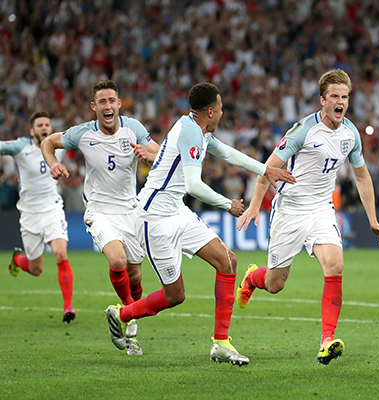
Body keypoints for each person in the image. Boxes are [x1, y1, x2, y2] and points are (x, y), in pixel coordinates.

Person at [103, 82, 295, 366]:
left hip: (176, 212)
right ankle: (121, 314)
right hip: (154, 219)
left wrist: (266, 169)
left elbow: (228, 154)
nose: (222, 112)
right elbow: (193, 185)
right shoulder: (191, 132)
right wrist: (226, 204)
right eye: (220, 108)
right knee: (175, 295)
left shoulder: (199, 129)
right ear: (210, 111)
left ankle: (220, 343)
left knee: (228, 262)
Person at [235, 69, 379, 365]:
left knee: (335, 264)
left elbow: (362, 175)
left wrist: (372, 218)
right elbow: (268, 168)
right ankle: (252, 278)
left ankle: (326, 340)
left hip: (321, 209)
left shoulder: (350, 134)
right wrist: (255, 205)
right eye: (334, 96)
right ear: (322, 100)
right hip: (290, 211)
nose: (340, 101)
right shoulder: (303, 131)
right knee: (276, 283)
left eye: (345, 96)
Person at [42, 80, 161, 355]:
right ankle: (129, 313)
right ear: (94, 107)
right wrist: (54, 163)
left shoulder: (134, 129)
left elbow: (160, 154)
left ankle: (128, 317)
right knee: (117, 260)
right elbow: (48, 142)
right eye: (102, 102)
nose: (108, 106)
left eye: (112, 101)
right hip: (99, 210)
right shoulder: (83, 133)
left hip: (130, 210)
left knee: (135, 272)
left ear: (119, 104)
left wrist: (148, 155)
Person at [2, 111, 75, 323]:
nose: (44, 128)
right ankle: (17, 259)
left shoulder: (58, 144)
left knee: (61, 254)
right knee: (36, 269)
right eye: (40, 125)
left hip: (52, 209)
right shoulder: (20, 147)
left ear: (51, 129)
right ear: (32, 130)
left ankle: (68, 307)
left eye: (47, 125)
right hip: (29, 214)